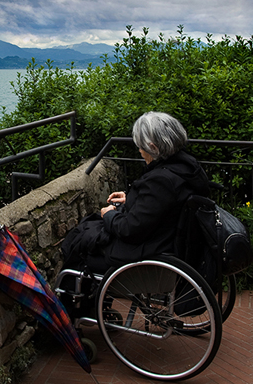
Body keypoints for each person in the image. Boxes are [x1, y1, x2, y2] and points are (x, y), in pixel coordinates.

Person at [61, 111, 210, 273]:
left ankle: (72, 295)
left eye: (140, 146)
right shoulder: (186, 168)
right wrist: (131, 198)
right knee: (88, 230)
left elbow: (129, 229)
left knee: (79, 243)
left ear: (153, 147)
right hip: (170, 242)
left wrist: (108, 215)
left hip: (151, 251)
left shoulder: (161, 180)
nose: (139, 150)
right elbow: (161, 204)